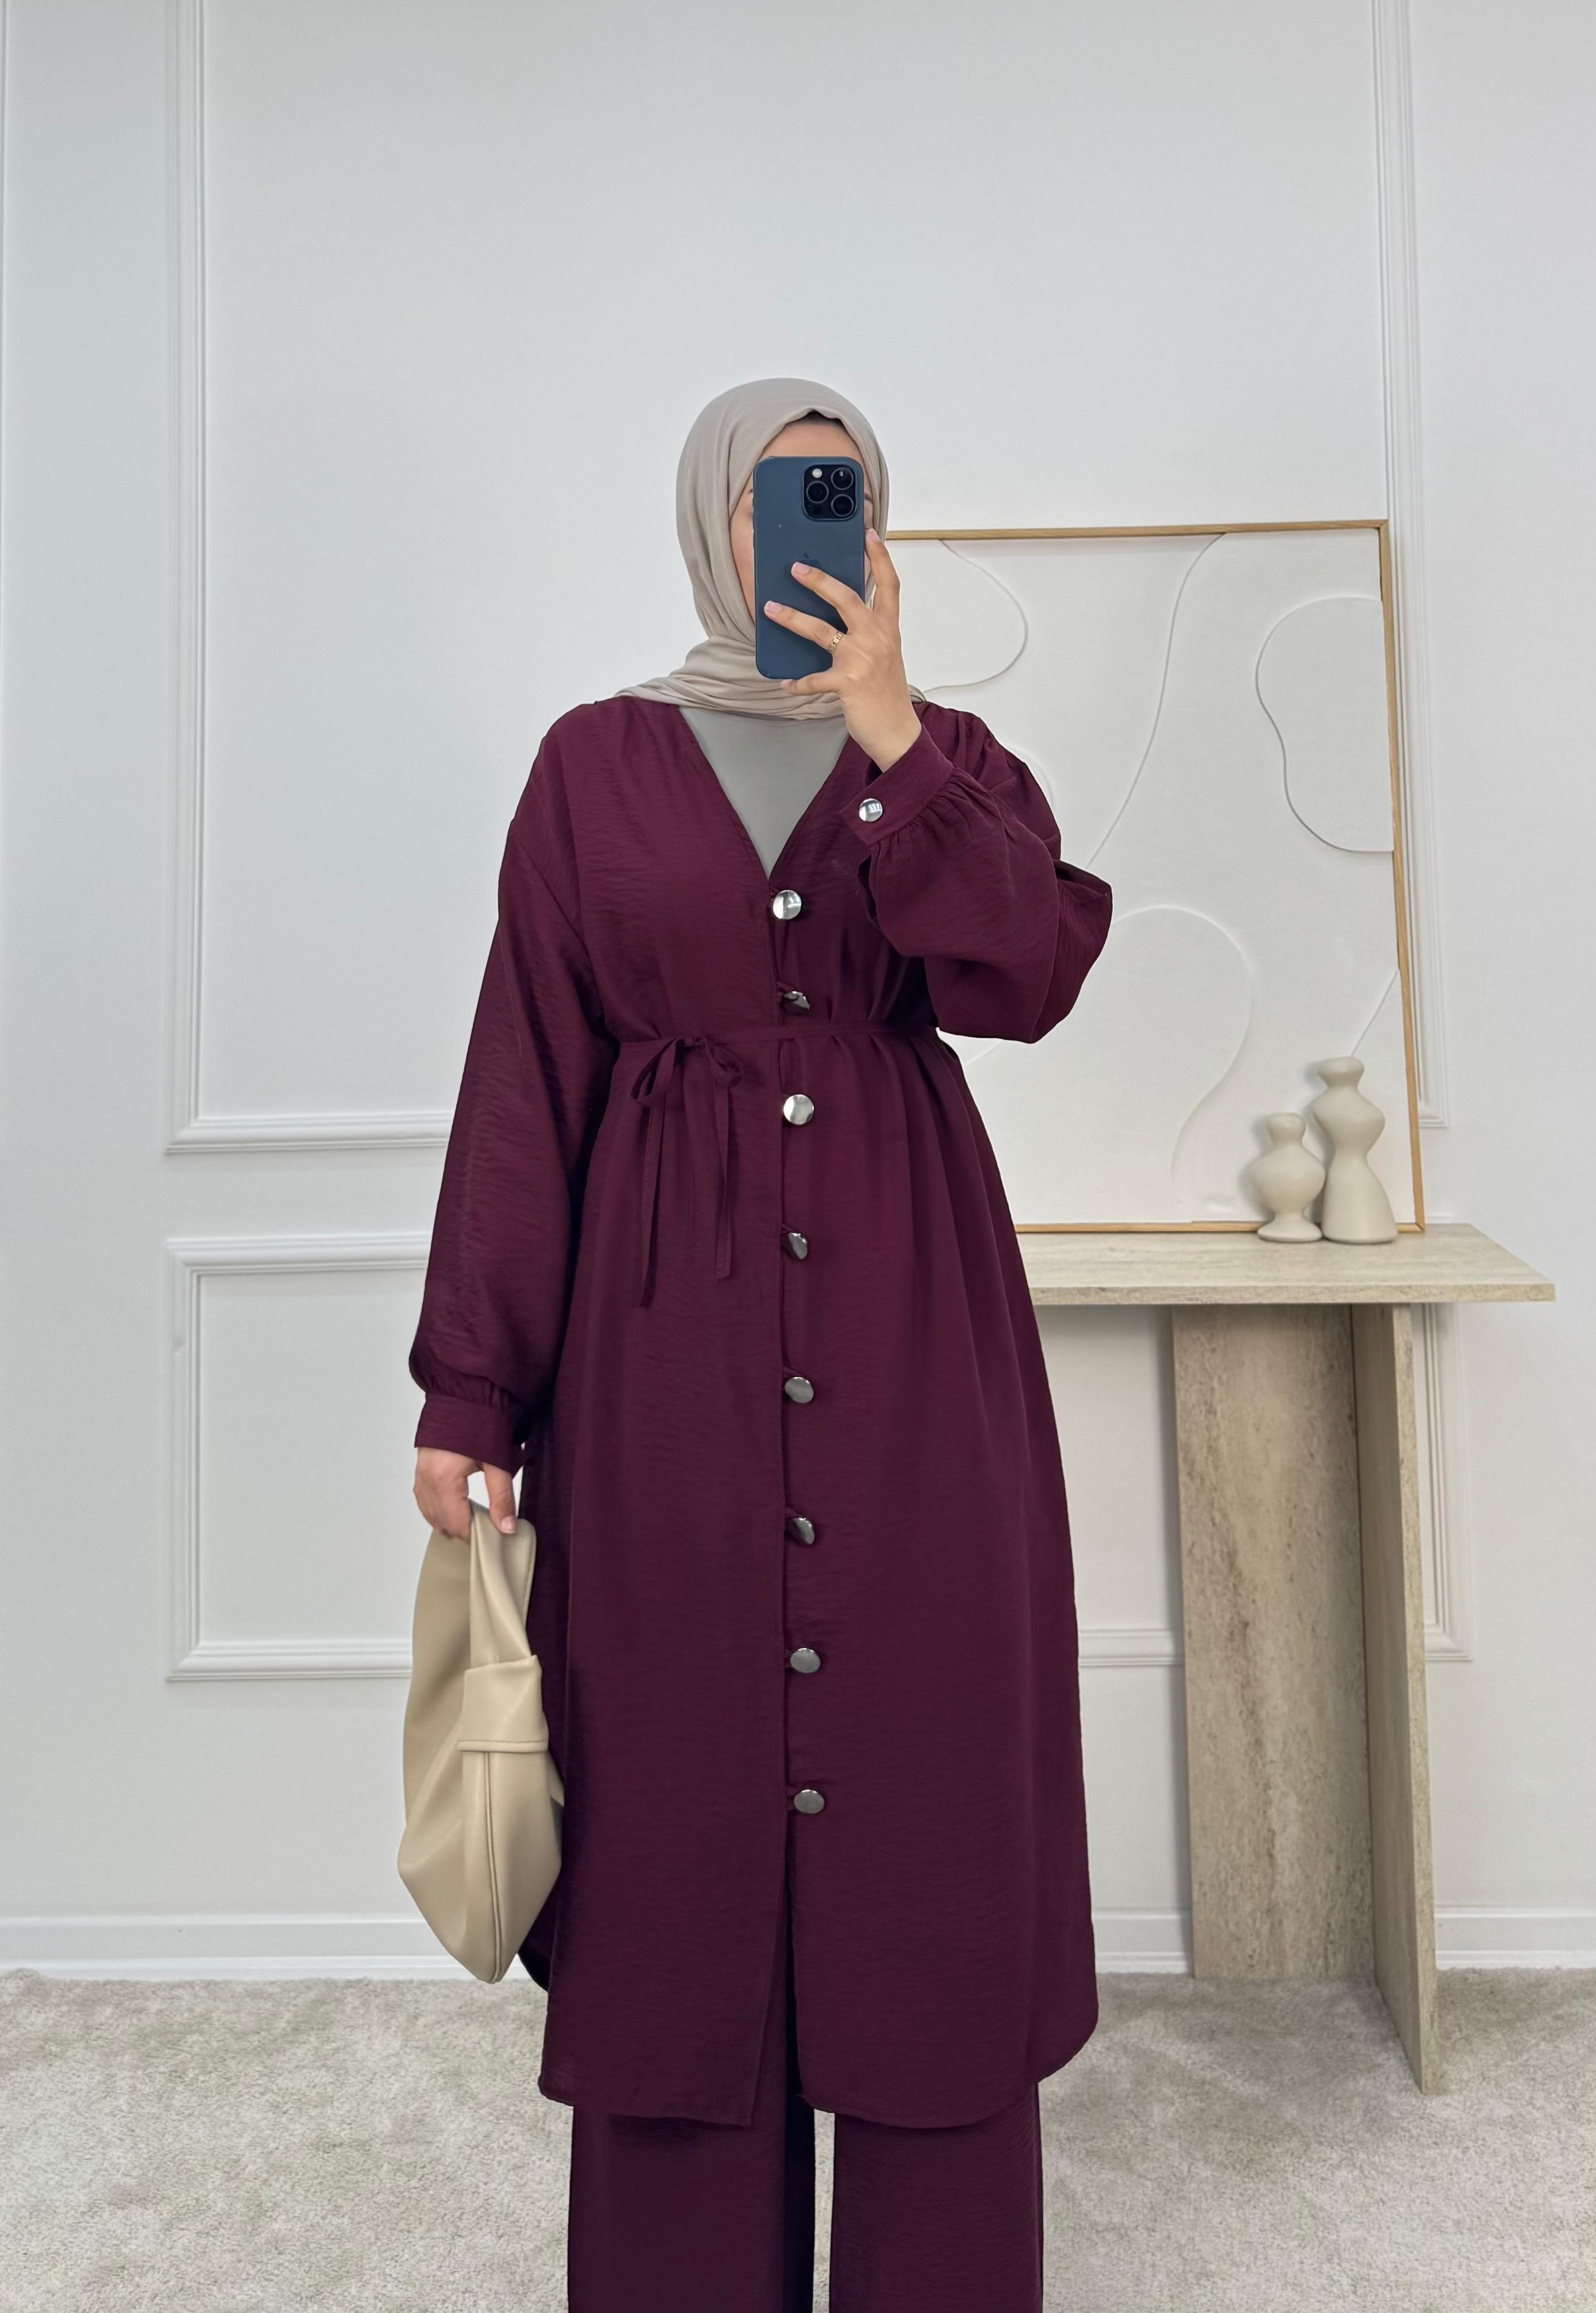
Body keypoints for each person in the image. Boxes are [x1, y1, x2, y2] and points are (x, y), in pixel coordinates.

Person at [408, 376, 1115, 2313]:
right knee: (668, 1831)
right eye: (779, 492)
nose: (813, 519)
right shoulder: (590, 763)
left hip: (917, 1364)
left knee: (928, 1817)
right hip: (658, 1377)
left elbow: (1030, 972)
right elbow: (525, 1077)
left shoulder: (948, 758)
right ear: (710, 516)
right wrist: (471, 1388)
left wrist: (889, 730)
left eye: (847, 489)